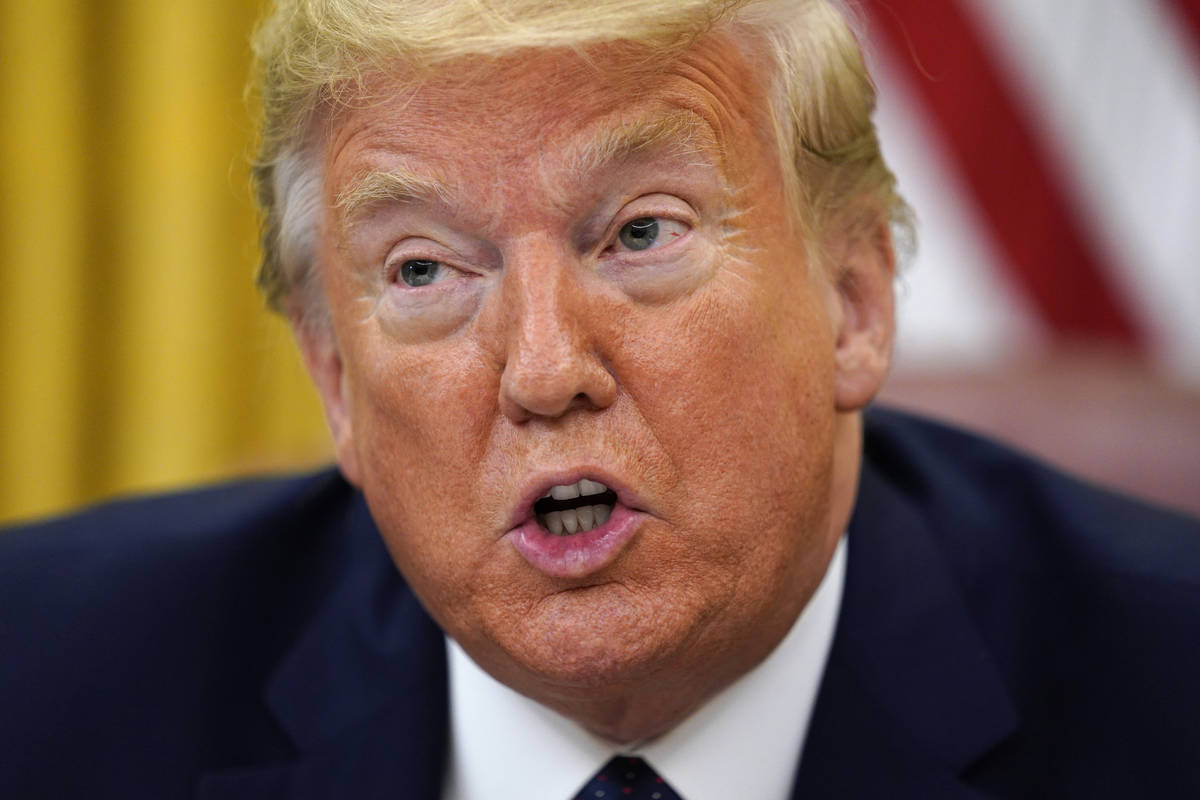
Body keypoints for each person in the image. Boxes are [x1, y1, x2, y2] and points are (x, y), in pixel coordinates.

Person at [2, 0, 1198, 797]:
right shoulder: (45, 680)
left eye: (639, 233)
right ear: (335, 381)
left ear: (855, 299)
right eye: (423, 268)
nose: (540, 368)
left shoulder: (1166, 687)